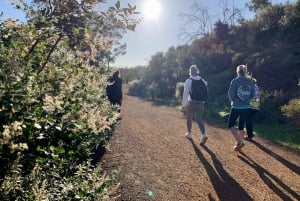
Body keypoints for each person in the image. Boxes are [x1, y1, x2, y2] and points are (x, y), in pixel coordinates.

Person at [227, 65, 255, 152]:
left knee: (230, 124)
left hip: (236, 106)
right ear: (245, 71)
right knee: (241, 126)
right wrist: (246, 100)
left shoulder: (235, 81)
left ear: (237, 72)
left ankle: (240, 141)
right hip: (246, 107)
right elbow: (253, 94)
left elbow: (230, 93)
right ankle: (240, 145)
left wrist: (233, 100)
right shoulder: (250, 81)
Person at [182, 64, 208, 145]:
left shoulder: (189, 81)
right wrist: (203, 101)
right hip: (201, 103)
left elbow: (185, 94)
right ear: (197, 71)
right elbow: (205, 92)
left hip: (191, 102)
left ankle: (189, 134)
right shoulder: (203, 80)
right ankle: (204, 134)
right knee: (199, 119)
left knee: (189, 117)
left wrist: (183, 105)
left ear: (190, 72)